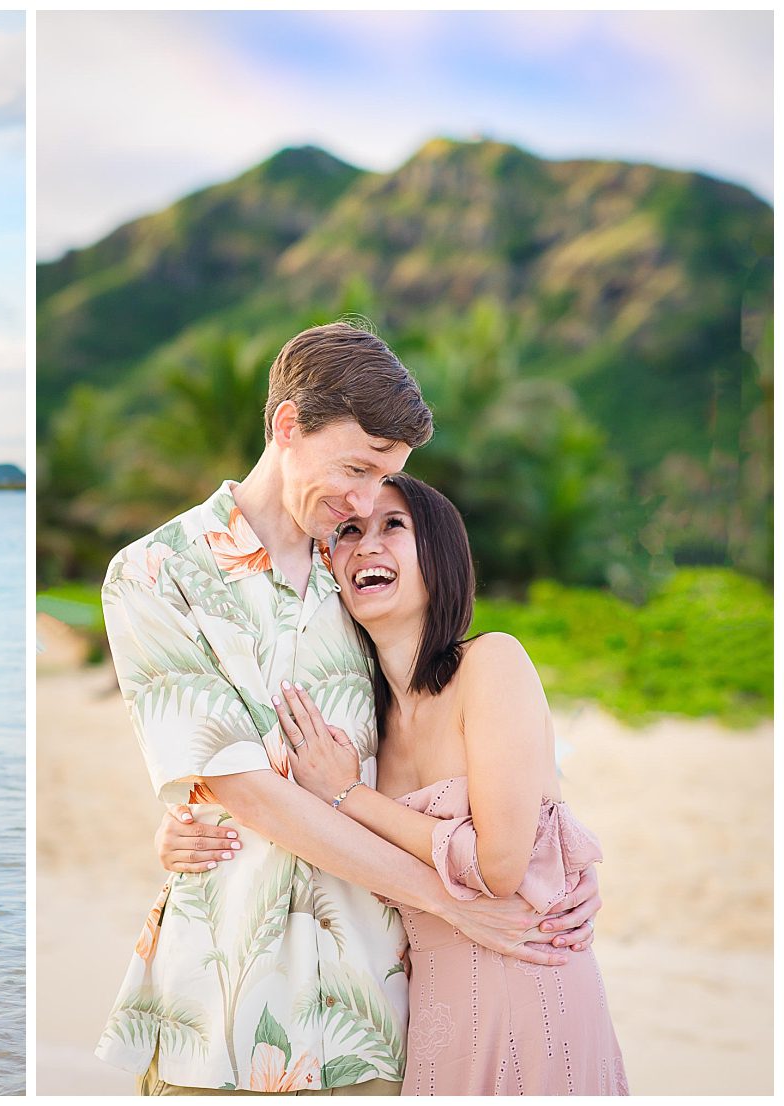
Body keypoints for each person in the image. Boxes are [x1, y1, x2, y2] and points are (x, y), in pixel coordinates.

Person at [97, 321, 599, 1095]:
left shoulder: (365, 578)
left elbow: (473, 736)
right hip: (222, 1006)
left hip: (381, 1009)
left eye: (387, 478)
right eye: (358, 467)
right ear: (287, 426)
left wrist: (556, 860)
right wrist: (456, 902)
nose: (365, 502)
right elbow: (242, 789)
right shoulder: (155, 575)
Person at [257, 473, 626, 1094]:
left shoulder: (492, 663)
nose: (366, 544)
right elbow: (257, 792)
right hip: (430, 1019)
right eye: (348, 531)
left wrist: (351, 796)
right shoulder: (362, 723)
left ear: (441, 555)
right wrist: (179, 827)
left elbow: (503, 866)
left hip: (534, 992)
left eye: (392, 526)